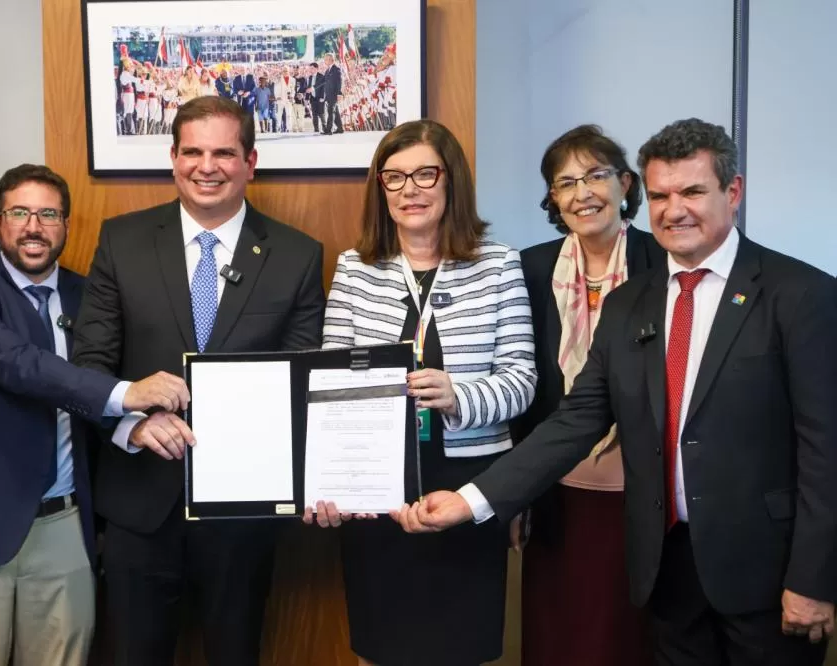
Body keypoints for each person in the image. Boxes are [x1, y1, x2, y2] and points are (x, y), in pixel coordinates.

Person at [395, 118, 837, 665]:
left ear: (733, 191)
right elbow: (574, 420)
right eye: (661, 195)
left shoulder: (802, 295)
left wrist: (815, 577)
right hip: (667, 575)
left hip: (765, 581)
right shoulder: (632, 304)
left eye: (693, 191)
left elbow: (826, 452)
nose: (675, 209)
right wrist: (471, 500)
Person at [70, 95, 325, 666]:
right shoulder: (122, 240)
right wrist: (132, 426)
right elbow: (89, 361)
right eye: (193, 151)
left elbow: (300, 381)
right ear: (173, 157)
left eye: (223, 153)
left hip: (243, 508)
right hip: (140, 502)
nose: (206, 166)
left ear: (250, 162)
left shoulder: (296, 255)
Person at [0, 164, 190, 666]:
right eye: (19, 212)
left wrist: (133, 425)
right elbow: (20, 366)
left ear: (67, 226)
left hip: (64, 524)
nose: (33, 226)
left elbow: (89, 391)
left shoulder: (91, 296)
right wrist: (129, 394)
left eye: (48, 214)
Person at [305, 119, 537, 666]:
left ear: (451, 180)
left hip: (470, 484)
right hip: (377, 483)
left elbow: (522, 378)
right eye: (394, 178)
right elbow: (328, 378)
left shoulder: (499, 264)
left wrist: (459, 397)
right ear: (380, 188)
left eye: (425, 174)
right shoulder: (355, 268)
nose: (409, 190)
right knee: (382, 644)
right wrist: (343, 477)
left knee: (462, 645)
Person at [511, 124, 662, 666]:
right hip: (558, 488)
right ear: (553, 198)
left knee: (626, 635)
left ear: (625, 183)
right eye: (565, 182)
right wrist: (517, 490)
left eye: (596, 175)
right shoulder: (528, 269)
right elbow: (524, 384)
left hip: (642, 489)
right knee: (560, 633)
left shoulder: (662, 262)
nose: (582, 193)